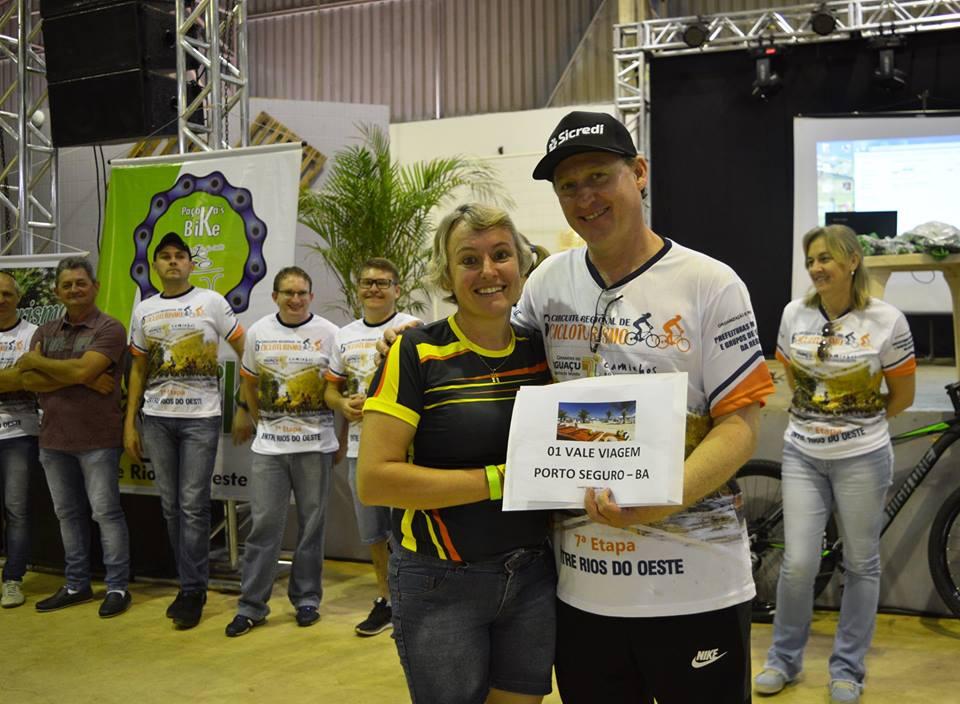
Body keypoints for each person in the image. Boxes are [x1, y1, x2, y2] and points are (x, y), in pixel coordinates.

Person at [516, 111, 776, 703]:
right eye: (568, 186)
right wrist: (412, 344)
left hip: (696, 585)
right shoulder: (545, 283)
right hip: (583, 590)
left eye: (598, 177)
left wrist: (663, 499)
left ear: (638, 172)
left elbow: (740, 424)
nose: (585, 197)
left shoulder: (711, 283)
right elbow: (497, 365)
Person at [358, 203, 555, 704]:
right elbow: (375, 479)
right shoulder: (416, 352)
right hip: (440, 580)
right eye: (469, 259)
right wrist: (502, 479)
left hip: (533, 574)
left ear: (522, 266)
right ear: (446, 275)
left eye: (502, 255)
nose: (488, 271)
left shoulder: (543, 351)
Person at [755, 224, 916, 704]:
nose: (816, 268)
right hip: (802, 454)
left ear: (852, 261)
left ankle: (847, 670)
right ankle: (783, 661)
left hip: (863, 458)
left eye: (825, 258)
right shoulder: (794, 314)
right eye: (810, 260)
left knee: (862, 565)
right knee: (798, 564)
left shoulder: (887, 319)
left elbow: (903, 396)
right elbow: (791, 376)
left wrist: (855, 423)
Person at [125, 232, 245, 629]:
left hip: (201, 418)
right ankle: (188, 583)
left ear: (192, 264)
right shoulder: (145, 309)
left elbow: (245, 348)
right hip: (156, 419)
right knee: (171, 506)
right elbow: (138, 369)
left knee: (193, 505)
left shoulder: (211, 302)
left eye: (180, 256)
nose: (173, 261)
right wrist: (130, 423)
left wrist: (246, 403)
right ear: (155, 265)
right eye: (166, 256)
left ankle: (193, 590)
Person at [226, 266, 339, 636]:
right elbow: (248, 382)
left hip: (316, 447)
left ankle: (306, 599)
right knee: (264, 526)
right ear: (275, 296)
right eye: (288, 293)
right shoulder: (258, 332)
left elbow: (338, 388)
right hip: (270, 450)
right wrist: (260, 420)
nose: (295, 299)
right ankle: (251, 606)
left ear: (311, 296)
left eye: (302, 293)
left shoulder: (330, 334)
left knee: (312, 527)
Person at [18, 257, 131, 618]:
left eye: (81, 283)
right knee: (67, 515)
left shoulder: (110, 328)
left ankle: (117, 587)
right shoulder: (45, 330)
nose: (74, 290)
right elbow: (28, 381)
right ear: (56, 291)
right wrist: (84, 377)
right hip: (53, 440)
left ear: (95, 287)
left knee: (105, 513)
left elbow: (75, 369)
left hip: (99, 440)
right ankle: (76, 585)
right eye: (66, 285)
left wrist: (42, 363)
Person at [323, 257, 420, 637]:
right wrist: (342, 404)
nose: (374, 289)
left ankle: (412, 600)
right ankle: (386, 599)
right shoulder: (343, 336)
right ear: (358, 289)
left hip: (404, 452)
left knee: (408, 530)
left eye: (382, 283)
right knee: (374, 533)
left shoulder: (413, 328)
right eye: (367, 283)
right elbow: (330, 389)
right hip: (358, 449)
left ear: (397, 289)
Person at [0, 271, 39, 608]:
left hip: (20, 434)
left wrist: (20, 379)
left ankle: (12, 580)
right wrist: (14, 375)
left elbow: (32, 381)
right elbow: (18, 378)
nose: (1, 300)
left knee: (17, 511)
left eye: (6, 294)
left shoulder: (34, 334)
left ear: (18, 297)